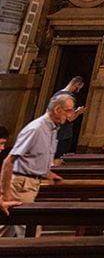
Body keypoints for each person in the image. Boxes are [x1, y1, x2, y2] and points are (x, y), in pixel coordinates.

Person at [0, 93, 75, 232]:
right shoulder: (36, 129)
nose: (71, 115)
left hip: (31, 183)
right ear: (58, 109)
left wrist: (47, 173)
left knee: (8, 229)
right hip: (21, 184)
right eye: (69, 110)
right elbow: (8, 161)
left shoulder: (52, 129)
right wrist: (5, 192)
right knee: (30, 229)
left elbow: (35, 157)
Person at [51, 76, 85, 160]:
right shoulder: (70, 97)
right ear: (76, 84)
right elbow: (70, 118)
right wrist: (78, 112)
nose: (78, 91)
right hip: (64, 134)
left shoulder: (57, 94)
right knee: (58, 159)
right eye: (79, 88)